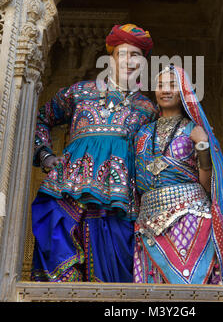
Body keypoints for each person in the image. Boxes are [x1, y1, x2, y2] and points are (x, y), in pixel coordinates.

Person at [31, 23, 157, 283]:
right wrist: (45, 155)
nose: (130, 61)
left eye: (136, 55)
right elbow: (38, 118)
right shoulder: (80, 92)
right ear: (110, 58)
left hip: (120, 206)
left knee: (114, 282)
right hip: (67, 192)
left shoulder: (148, 109)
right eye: (123, 54)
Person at [133, 65, 223, 285]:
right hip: (147, 222)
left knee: (194, 287)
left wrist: (203, 146)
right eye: (160, 86)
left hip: (190, 217)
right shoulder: (143, 133)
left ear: (184, 92)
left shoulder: (195, 130)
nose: (166, 91)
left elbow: (207, 185)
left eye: (172, 85)